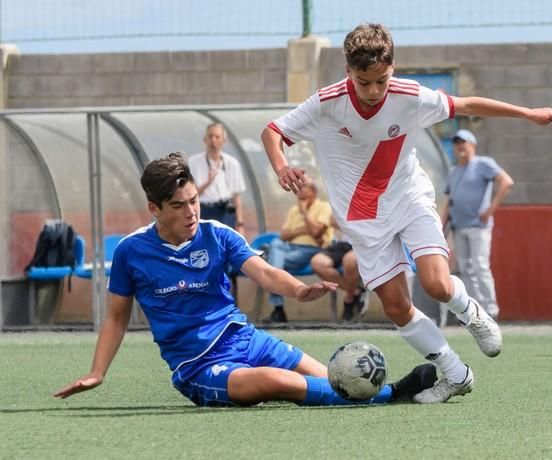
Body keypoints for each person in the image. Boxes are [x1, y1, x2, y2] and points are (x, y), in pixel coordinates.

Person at [262, 23, 552, 404]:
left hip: (409, 198)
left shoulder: (410, 95)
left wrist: (528, 113)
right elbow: (273, 131)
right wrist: (281, 166)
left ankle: (472, 313)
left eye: (381, 81)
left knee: (436, 283)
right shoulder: (326, 102)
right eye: (363, 82)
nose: (373, 92)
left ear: (393, 69)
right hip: (363, 219)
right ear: (348, 72)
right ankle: (456, 374)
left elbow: (466, 104)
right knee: (396, 306)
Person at [53, 153, 437, 407]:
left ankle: (376, 393)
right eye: (178, 206)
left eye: (193, 201)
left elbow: (266, 273)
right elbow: (116, 317)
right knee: (278, 382)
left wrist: (300, 290)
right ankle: (392, 395)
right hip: (200, 367)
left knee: (331, 375)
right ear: (154, 208)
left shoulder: (217, 234)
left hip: (247, 339)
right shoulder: (131, 251)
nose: (190, 211)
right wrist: (96, 372)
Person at [440, 129, 514, 320]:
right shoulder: (454, 171)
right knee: (466, 268)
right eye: (456, 143)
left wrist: (490, 210)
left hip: (478, 226)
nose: (459, 146)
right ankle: (475, 311)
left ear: (473, 144)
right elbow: (449, 200)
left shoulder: (483, 164)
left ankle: (491, 310)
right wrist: (440, 226)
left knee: (480, 266)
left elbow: (506, 182)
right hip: (459, 226)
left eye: (463, 142)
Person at [188, 123, 246, 297]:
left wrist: (240, 223)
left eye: (217, 137)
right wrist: (207, 182)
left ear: (223, 141)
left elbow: (236, 196)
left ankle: (226, 296)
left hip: (225, 211)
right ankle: (206, 295)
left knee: (226, 254)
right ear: (205, 140)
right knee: (204, 255)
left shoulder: (231, 163)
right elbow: (190, 194)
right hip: (205, 210)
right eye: (210, 136)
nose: (213, 141)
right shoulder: (194, 162)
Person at [264, 179, 333, 323]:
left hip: (312, 250)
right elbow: (284, 236)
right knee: (276, 243)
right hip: (288, 248)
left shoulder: (324, 207)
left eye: (303, 186)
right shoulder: (293, 210)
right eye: (298, 186)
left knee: (269, 267)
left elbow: (316, 234)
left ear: (313, 191)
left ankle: (278, 308)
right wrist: (303, 229)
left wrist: (304, 213)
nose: (299, 189)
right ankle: (272, 267)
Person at [310, 215, 367, 321]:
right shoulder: (341, 199)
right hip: (339, 245)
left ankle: (349, 299)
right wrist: (357, 225)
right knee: (317, 263)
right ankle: (356, 292)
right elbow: (332, 220)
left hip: (362, 243)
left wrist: (347, 224)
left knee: (350, 261)